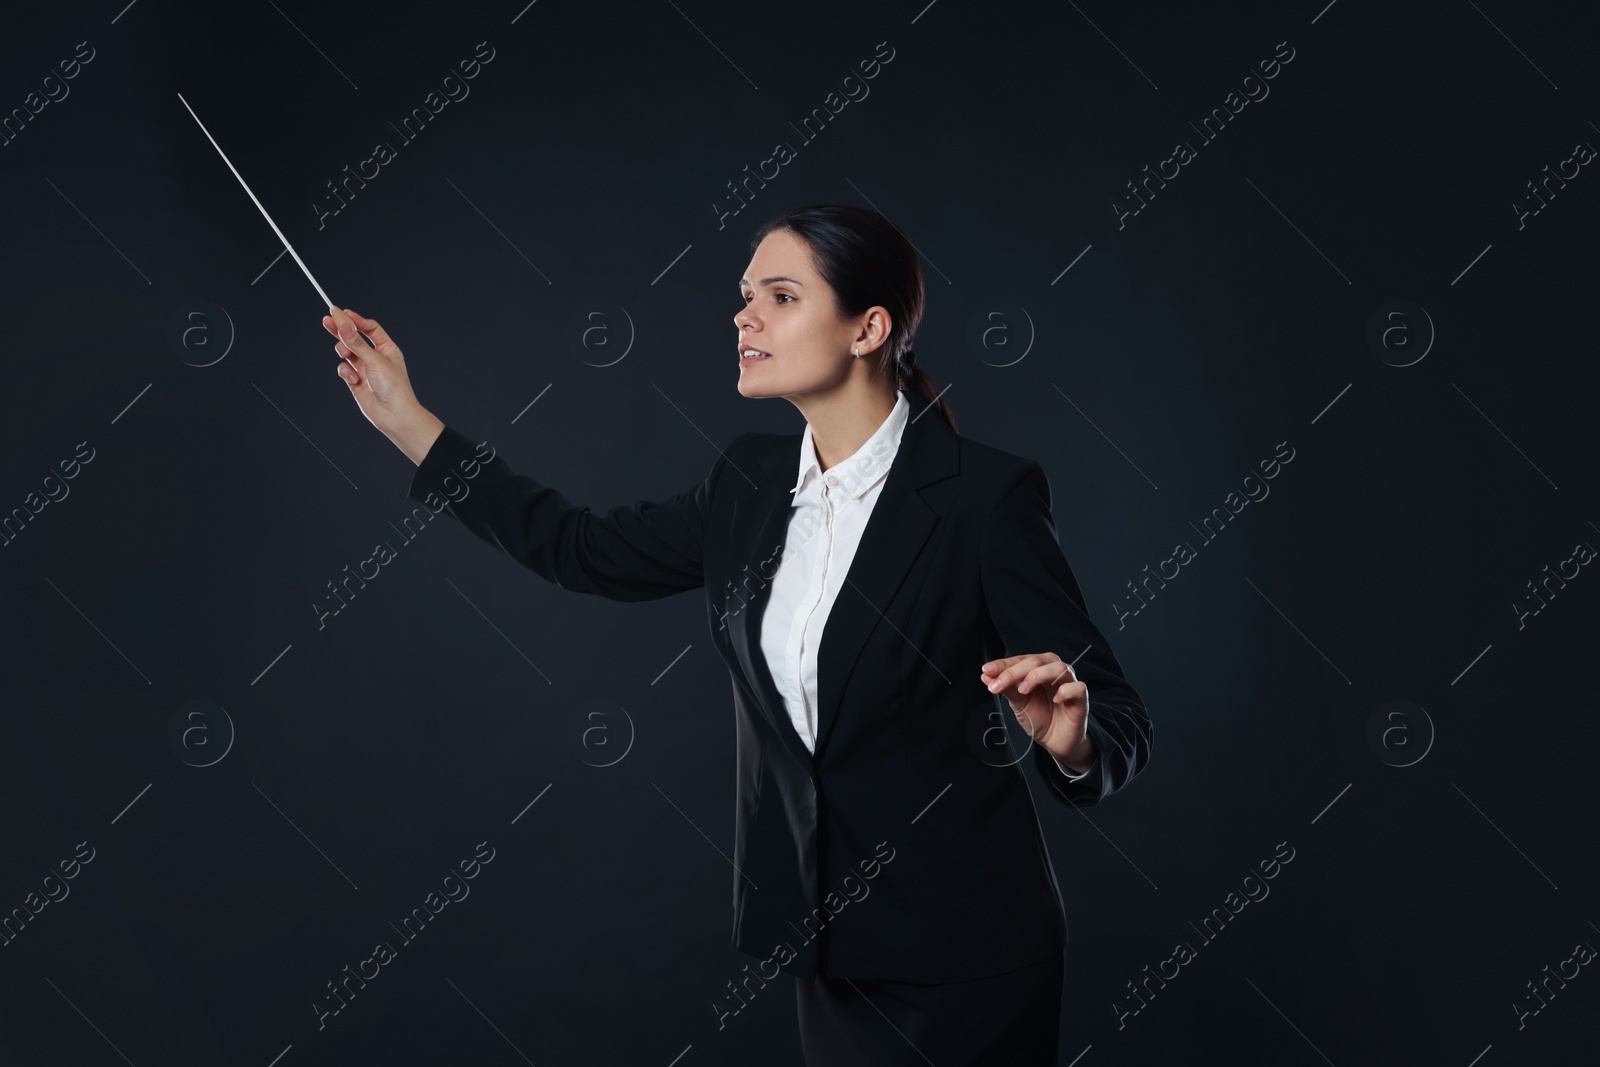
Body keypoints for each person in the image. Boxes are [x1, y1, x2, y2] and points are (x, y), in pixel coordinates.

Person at [321, 202, 1152, 1066]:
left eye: (781, 296)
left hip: (970, 960)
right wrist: (408, 422)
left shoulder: (985, 496)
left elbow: (1117, 712)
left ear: (869, 327)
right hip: (828, 954)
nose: (744, 315)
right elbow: (580, 549)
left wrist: (1075, 739)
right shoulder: (748, 485)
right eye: (745, 294)